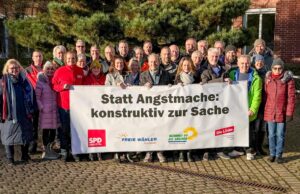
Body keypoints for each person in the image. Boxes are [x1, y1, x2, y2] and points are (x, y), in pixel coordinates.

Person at [0, 59, 34, 165]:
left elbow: (31, 94)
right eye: (12, 68)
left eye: (16, 67)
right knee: (8, 135)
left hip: (24, 112)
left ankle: (25, 155)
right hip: (9, 113)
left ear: (19, 68)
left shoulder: (24, 80)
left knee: (25, 134)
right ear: (7, 69)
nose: (14, 70)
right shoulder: (2, 82)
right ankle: (10, 157)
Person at [228, 55, 262, 160]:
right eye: (242, 63)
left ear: (250, 64)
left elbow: (257, 96)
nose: (244, 65)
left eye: (247, 63)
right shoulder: (232, 75)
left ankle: (250, 150)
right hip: (236, 109)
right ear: (238, 64)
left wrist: (253, 109)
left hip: (248, 109)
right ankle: (238, 149)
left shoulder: (256, 78)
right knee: (237, 129)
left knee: (250, 131)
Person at [52, 51, 84, 162]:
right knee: (64, 129)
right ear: (65, 59)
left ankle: (75, 151)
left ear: (76, 59)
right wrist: (62, 86)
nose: (71, 60)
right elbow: (54, 85)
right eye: (69, 58)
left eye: (73, 58)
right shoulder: (59, 71)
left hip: (77, 106)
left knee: (76, 130)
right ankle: (64, 152)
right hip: (64, 105)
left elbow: (85, 87)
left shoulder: (80, 71)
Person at [140, 53, 172, 163]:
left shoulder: (166, 74)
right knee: (149, 130)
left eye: (156, 61)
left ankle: (160, 152)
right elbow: (137, 91)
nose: (153, 63)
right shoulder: (143, 75)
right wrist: (144, 87)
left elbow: (172, 88)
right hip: (148, 109)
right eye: (151, 62)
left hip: (162, 108)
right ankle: (149, 152)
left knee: (161, 130)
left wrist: (170, 87)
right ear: (148, 63)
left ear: (159, 62)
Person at [201, 48, 231, 160]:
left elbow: (229, 83)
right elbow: (205, 84)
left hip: (221, 104)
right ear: (207, 57)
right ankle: (207, 151)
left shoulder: (224, 70)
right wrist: (221, 81)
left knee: (220, 126)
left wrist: (229, 81)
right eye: (212, 56)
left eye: (216, 56)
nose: (214, 58)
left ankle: (219, 150)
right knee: (208, 126)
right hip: (208, 104)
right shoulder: (204, 70)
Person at [264, 58, 295, 164]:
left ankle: (279, 155)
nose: (277, 71)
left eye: (279, 68)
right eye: (275, 68)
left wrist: (289, 113)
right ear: (272, 69)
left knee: (280, 134)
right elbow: (265, 94)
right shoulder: (268, 79)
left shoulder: (288, 80)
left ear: (283, 69)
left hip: (282, 112)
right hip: (270, 111)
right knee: (271, 134)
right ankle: (272, 153)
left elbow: (291, 97)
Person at [35, 61, 60, 160]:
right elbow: (37, 97)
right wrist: (41, 107)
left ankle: (51, 149)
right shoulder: (40, 81)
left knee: (53, 131)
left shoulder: (55, 80)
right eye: (48, 69)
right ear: (44, 70)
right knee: (45, 131)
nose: (50, 71)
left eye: (52, 69)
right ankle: (46, 150)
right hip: (45, 111)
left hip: (54, 110)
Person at [174, 57, 196, 162]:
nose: (186, 67)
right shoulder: (178, 78)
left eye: (188, 65)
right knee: (181, 131)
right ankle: (181, 153)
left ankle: (189, 152)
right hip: (181, 109)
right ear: (181, 67)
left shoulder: (195, 77)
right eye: (184, 65)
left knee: (191, 130)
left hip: (193, 109)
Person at [25, 50, 43, 154]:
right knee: (33, 125)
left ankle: (46, 145)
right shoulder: (27, 71)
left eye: (40, 56)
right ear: (32, 58)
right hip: (32, 101)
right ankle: (32, 145)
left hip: (44, 101)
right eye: (36, 56)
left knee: (46, 125)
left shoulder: (45, 70)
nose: (38, 58)